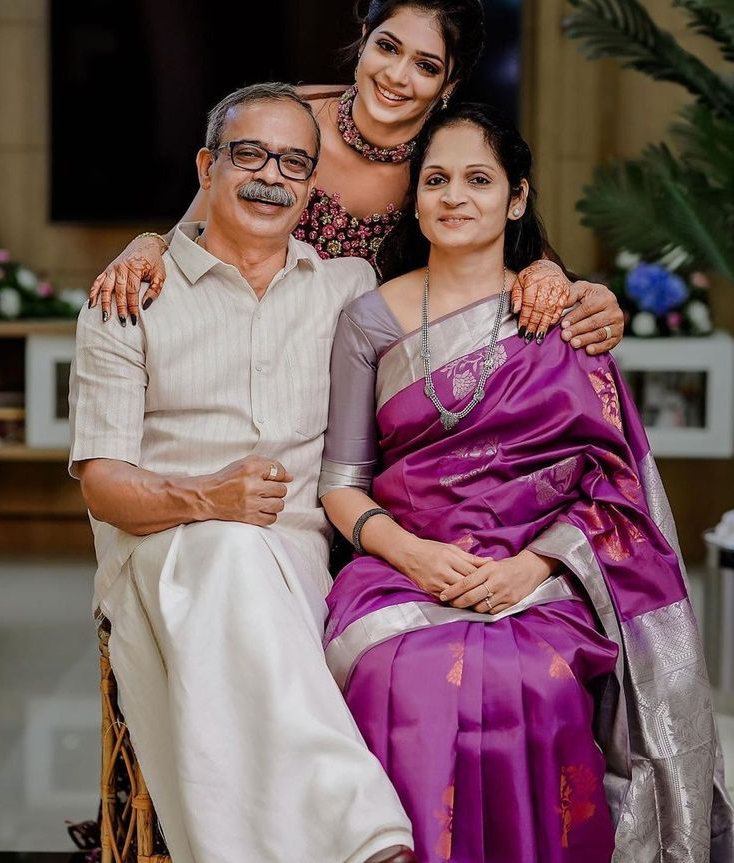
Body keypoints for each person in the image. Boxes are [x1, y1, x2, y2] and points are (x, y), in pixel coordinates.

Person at [318, 102, 734, 863]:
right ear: (415, 195)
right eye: (436, 178)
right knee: (404, 675)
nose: (453, 196)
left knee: (532, 680)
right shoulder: (368, 321)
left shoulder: (562, 315)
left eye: (478, 179)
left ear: (515, 198)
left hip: (539, 573)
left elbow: (612, 490)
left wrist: (533, 565)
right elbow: (342, 485)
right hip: (402, 572)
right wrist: (414, 557)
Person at [69, 83, 417, 863]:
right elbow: (102, 485)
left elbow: (467, 300)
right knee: (225, 547)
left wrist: (563, 287)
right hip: (160, 558)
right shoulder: (129, 298)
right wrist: (208, 499)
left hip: (298, 566)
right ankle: (363, 834)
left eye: (294, 162)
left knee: (245, 564)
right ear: (207, 165)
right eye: (249, 153)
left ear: (311, 184)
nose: (271, 175)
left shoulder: (347, 287)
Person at [86, 0, 624, 356]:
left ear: (449, 84)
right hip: (256, 353)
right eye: (388, 47)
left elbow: (518, 249)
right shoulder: (288, 119)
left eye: (426, 65)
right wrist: (147, 245)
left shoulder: (447, 158)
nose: (396, 76)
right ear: (364, 38)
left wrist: (574, 289)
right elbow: (195, 228)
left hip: (385, 377)